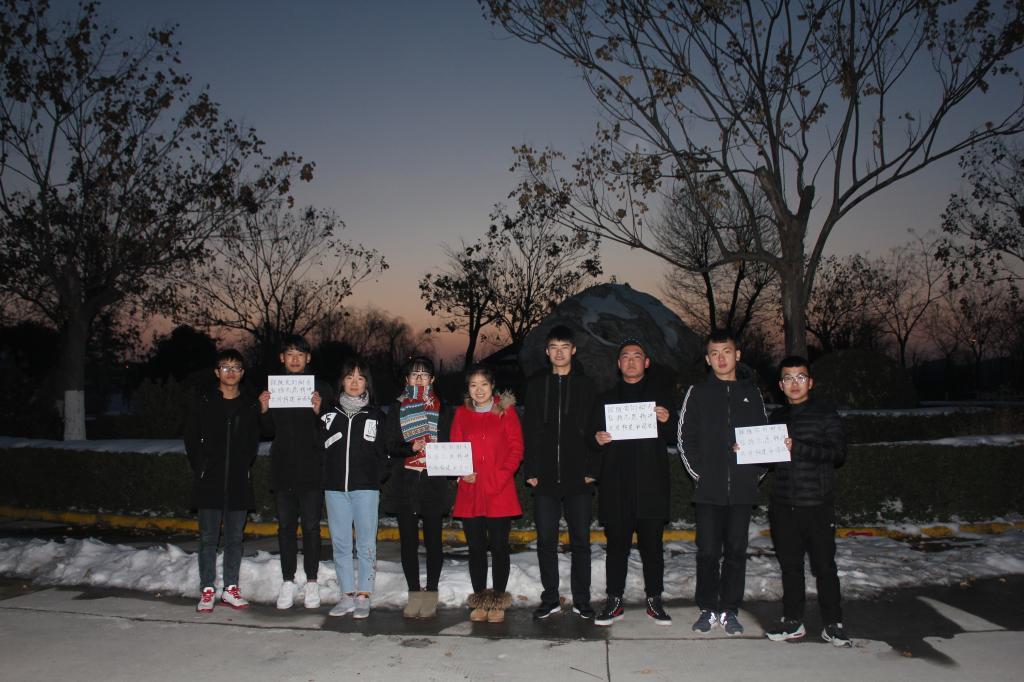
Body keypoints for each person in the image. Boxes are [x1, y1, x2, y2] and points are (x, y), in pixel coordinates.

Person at [677, 330, 768, 635]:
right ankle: (707, 608)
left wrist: (754, 472)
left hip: (742, 490)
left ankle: (730, 609)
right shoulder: (697, 392)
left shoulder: (752, 392)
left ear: (737, 355)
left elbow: (764, 437)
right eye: (714, 354)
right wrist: (701, 475)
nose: (721, 358)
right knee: (707, 552)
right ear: (707, 359)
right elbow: (685, 438)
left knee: (736, 552)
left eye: (726, 352)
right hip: (708, 490)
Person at [764, 356, 851, 647]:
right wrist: (747, 451)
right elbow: (770, 460)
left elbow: (838, 453)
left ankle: (833, 623)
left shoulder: (826, 413)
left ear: (810, 382)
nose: (794, 383)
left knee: (824, 567)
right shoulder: (777, 417)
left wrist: (798, 447)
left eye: (800, 377)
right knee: (790, 567)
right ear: (780, 385)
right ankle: (793, 621)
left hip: (816, 503)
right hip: (782, 504)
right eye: (788, 378)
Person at [589, 339, 676, 627]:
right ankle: (614, 601)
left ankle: (655, 600)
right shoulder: (604, 399)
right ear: (618, 363)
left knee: (652, 547)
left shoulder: (660, 399)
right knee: (617, 548)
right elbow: (590, 438)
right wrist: (597, 439)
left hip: (651, 484)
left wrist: (667, 420)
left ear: (646, 362)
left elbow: (675, 437)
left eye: (637, 356)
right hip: (616, 485)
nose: (630, 360)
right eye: (625, 356)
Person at [523, 325, 598, 620]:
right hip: (544, 476)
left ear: (573, 350)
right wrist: (530, 468)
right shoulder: (536, 385)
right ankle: (550, 598)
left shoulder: (587, 386)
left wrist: (592, 468)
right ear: (547, 351)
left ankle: (582, 599)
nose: (559, 352)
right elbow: (529, 430)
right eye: (554, 347)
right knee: (546, 541)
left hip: (578, 476)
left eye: (564, 347)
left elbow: (596, 428)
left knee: (581, 541)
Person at [185, 348, 265, 613]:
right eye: (225, 367)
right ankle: (207, 588)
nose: (231, 372)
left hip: (239, 480)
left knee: (234, 538)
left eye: (236, 368)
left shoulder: (249, 404)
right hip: (210, 480)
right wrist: (203, 467)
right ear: (217, 372)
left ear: (242, 373)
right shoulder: (204, 401)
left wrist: (262, 410)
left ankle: (231, 588)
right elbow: (191, 438)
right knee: (208, 538)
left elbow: (259, 436)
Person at [259, 335, 333, 610]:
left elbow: (330, 430)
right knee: (286, 527)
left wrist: (319, 412)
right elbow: (267, 432)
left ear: (308, 358)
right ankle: (287, 580)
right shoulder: (273, 387)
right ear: (282, 358)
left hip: (312, 468)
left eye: (299, 354)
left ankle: (312, 580)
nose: (294, 359)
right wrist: (263, 410)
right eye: (289, 354)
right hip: (283, 467)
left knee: (311, 527)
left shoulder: (320, 387)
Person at [381, 356, 454, 619]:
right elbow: (388, 444)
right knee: (408, 543)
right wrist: (409, 447)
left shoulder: (443, 408)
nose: (419, 379)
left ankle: (431, 592)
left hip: (433, 482)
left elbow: (453, 442)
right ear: (407, 379)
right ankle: (414, 592)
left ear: (432, 379)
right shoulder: (397, 407)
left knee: (434, 542)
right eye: (414, 374)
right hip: (405, 482)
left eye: (424, 374)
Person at [451, 364, 524, 624]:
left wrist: (501, 476)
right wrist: (461, 472)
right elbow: (455, 447)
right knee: (476, 548)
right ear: (468, 389)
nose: (479, 390)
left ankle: (498, 601)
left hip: (499, 490)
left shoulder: (505, 411)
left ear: (492, 386)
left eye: (484, 384)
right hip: (470, 490)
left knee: (499, 547)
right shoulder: (461, 413)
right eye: (473, 385)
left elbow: (516, 449)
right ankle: (481, 600)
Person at [321, 357, 387, 619]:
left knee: (366, 543)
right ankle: (346, 594)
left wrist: (375, 478)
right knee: (340, 543)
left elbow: (384, 453)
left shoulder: (376, 416)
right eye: (350, 377)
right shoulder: (328, 415)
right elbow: (318, 449)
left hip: (365, 488)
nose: (355, 383)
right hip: (335, 488)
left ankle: (364, 595)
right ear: (342, 382)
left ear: (367, 383)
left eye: (360, 378)